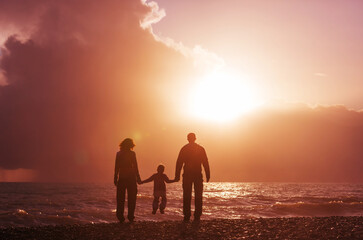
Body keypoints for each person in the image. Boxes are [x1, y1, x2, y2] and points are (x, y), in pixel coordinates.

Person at [175, 133, 210, 222]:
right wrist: (207, 174)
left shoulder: (184, 149)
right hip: (197, 174)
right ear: (195, 138)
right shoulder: (200, 149)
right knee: (198, 195)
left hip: (188, 174)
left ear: (188, 139)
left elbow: (179, 162)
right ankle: (197, 215)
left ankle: (187, 215)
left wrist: (177, 175)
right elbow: (205, 162)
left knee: (187, 195)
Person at [114, 138, 141, 223]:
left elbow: (116, 167)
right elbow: (135, 166)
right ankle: (130, 216)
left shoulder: (119, 154)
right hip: (131, 178)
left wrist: (115, 177)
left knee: (120, 198)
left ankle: (120, 217)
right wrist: (138, 177)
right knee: (132, 198)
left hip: (122, 178)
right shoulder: (132, 154)